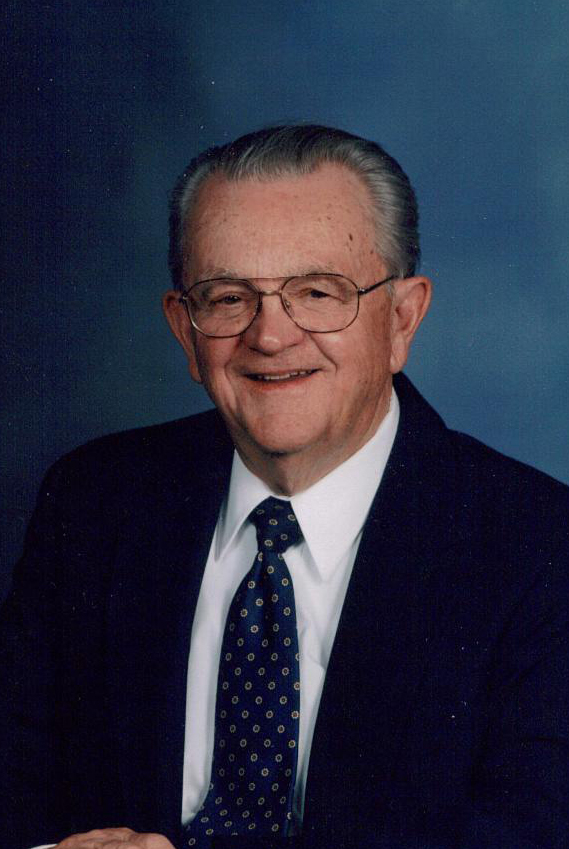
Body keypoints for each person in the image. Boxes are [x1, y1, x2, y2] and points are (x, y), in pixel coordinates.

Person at [1, 125, 568, 849]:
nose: (270, 336)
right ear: (183, 328)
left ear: (401, 319)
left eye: (317, 292)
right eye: (228, 297)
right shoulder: (93, 501)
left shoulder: (541, 549)